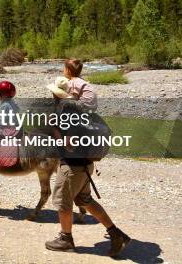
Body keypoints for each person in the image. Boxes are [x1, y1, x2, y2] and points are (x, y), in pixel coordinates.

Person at [45, 61, 130, 256]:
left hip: (72, 167)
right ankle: (116, 234)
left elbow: (69, 143)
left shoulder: (66, 113)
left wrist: (55, 129)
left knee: (63, 203)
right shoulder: (81, 111)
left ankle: (66, 238)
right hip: (85, 166)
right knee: (85, 201)